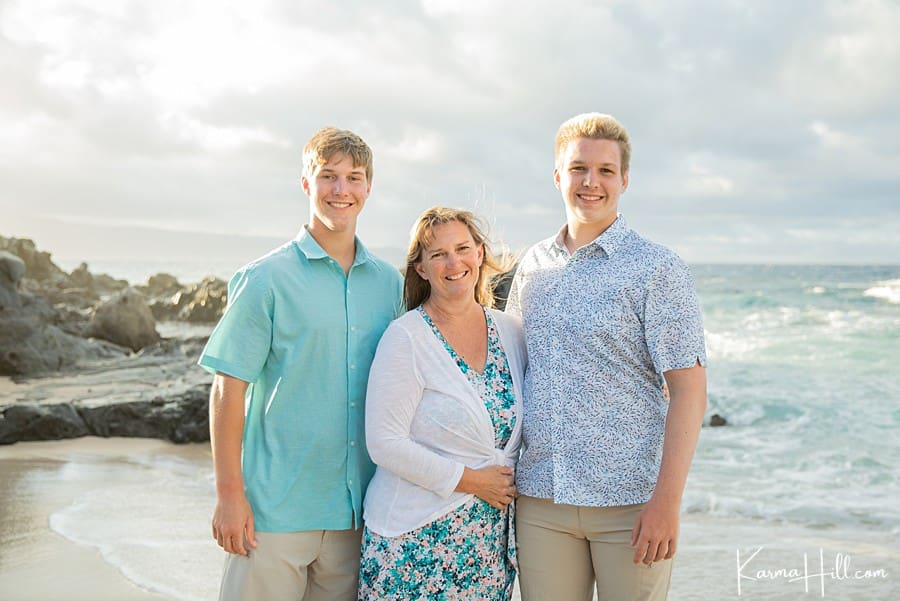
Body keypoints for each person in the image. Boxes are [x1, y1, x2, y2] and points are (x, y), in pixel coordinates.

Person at [506, 113, 708, 601]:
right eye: (578, 169)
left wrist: (667, 503)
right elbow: (510, 368)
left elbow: (689, 389)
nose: (590, 182)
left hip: (631, 505)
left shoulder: (657, 268)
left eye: (605, 171)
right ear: (558, 176)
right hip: (540, 500)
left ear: (624, 180)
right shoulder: (532, 266)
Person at [197, 126, 402, 601]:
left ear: (368, 188)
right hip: (274, 511)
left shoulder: (389, 285)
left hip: (361, 514)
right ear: (306, 184)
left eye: (353, 178)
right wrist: (230, 495)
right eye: (328, 176)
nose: (340, 190)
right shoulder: (265, 279)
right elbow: (229, 389)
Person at [359, 207, 526, 601]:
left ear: (480, 254)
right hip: (413, 543)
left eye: (463, 248)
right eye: (438, 254)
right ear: (420, 269)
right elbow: (384, 442)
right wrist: (472, 481)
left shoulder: (510, 330)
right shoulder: (406, 338)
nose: (454, 263)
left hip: (486, 547)